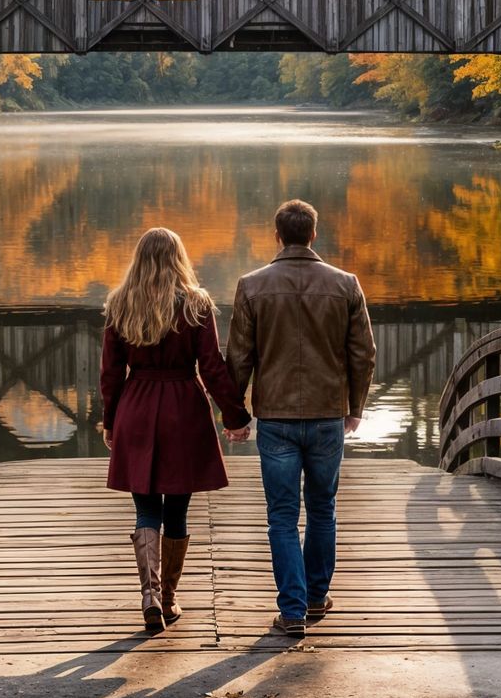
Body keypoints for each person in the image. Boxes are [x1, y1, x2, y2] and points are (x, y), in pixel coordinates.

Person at [227, 199, 375, 638]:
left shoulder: (252, 286)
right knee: (323, 509)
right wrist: (355, 407)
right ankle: (315, 597)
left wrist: (235, 413)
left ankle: (292, 611)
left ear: (277, 235)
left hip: (275, 418)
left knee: (282, 515)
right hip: (328, 414)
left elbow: (239, 357)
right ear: (313, 234)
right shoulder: (346, 284)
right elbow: (364, 354)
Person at [99, 227, 251, 634]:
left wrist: (111, 421)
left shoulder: (120, 304)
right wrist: (235, 415)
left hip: (136, 405)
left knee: (145, 507)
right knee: (177, 509)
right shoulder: (196, 305)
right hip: (183, 407)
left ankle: (147, 596)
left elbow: (110, 374)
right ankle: (167, 598)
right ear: (179, 257)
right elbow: (213, 367)